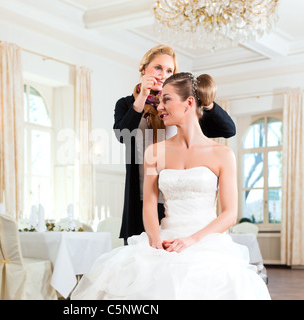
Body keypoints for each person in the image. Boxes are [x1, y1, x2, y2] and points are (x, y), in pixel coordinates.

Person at [72, 72, 270, 299]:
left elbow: (229, 214)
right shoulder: (153, 153)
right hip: (164, 239)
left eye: (166, 99)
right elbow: (148, 204)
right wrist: (155, 241)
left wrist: (192, 240)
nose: (159, 106)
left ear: (189, 103)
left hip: (206, 242)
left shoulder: (223, 154)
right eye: (159, 101)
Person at [113, 45, 236, 244]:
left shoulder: (182, 107)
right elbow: (123, 135)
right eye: (158, 68)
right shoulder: (127, 105)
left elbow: (228, 129)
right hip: (143, 195)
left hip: (175, 196)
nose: (163, 74)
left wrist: (204, 98)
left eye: (169, 70)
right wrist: (143, 96)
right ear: (144, 69)